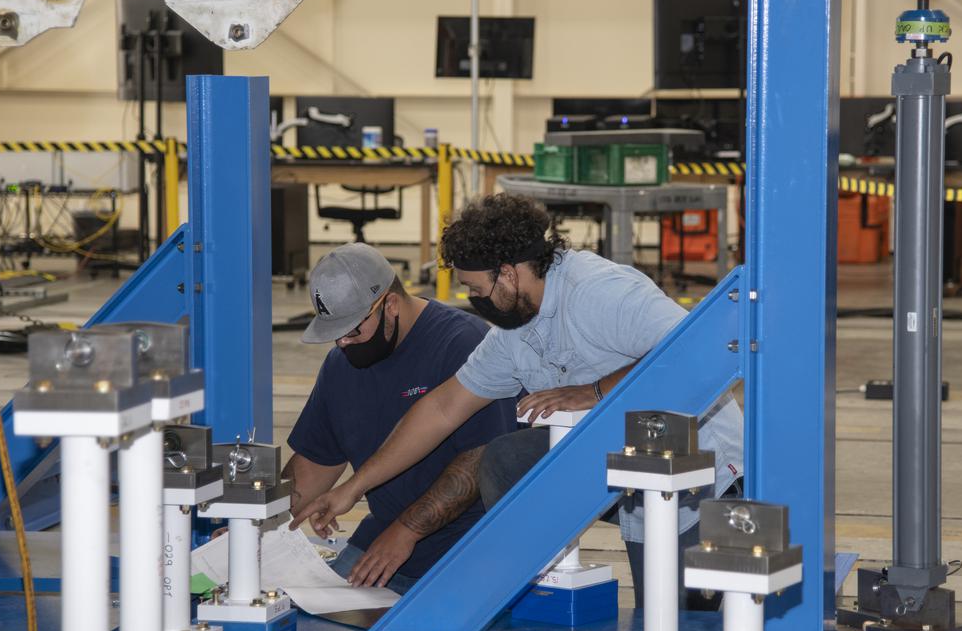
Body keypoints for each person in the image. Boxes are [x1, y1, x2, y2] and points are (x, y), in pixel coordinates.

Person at [294, 194, 743, 607]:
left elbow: (703, 349)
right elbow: (441, 409)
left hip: (701, 468)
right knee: (508, 460)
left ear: (508, 272)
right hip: (626, 462)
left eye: (474, 287)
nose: (470, 299)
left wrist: (595, 391)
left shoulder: (599, 292)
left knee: (680, 624)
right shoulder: (514, 330)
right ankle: (526, 584)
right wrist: (351, 490)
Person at [284, 243, 517, 594]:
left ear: (390, 305)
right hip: (382, 537)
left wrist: (407, 531)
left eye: (352, 331)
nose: (343, 344)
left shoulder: (463, 345)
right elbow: (315, 463)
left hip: (471, 546)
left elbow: (482, 460)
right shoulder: (341, 365)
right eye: (335, 336)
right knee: (308, 623)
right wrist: (256, 521)